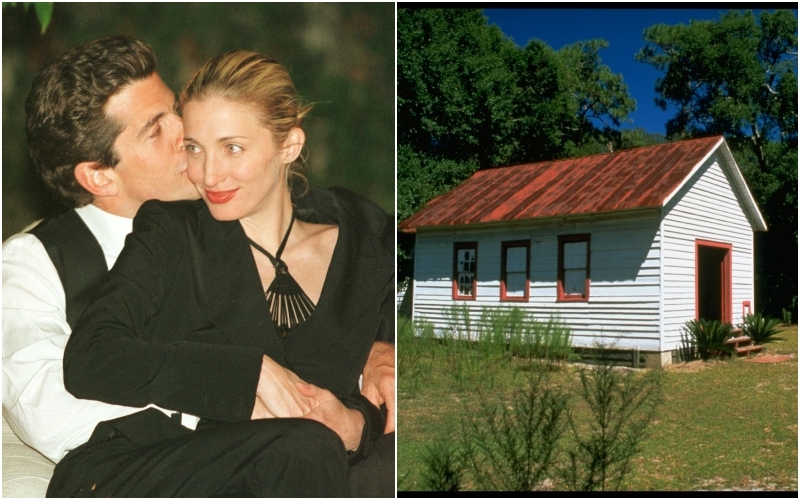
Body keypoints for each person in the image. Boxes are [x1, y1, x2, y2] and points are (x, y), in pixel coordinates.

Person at [2, 36, 394, 496]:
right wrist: (236, 388)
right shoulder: (30, 263)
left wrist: (379, 341)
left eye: (175, 109)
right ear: (99, 176)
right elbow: (49, 406)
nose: (185, 127)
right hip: (141, 467)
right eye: (156, 129)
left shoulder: (314, 220)